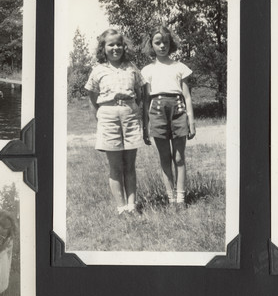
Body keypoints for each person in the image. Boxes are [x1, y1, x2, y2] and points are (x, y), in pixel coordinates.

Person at [84, 29, 146, 215]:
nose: (116, 48)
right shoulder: (98, 70)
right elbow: (92, 96)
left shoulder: (132, 67)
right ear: (103, 48)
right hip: (108, 116)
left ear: (124, 46)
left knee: (130, 164)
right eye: (111, 44)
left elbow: (140, 93)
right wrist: (100, 115)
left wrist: (133, 110)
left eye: (119, 44)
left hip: (129, 114)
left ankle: (132, 206)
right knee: (115, 166)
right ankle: (121, 208)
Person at [141, 26, 196, 206]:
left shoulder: (180, 67)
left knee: (179, 157)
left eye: (165, 42)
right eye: (158, 42)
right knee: (165, 157)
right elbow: (146, 100)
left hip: (178, 109)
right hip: (157, 111)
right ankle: (170, 197)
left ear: (171, 44)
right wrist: (145, 126)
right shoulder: (147, 70)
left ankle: (181, 197)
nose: (162, 46)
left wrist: (191, 121)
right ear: (152, 45)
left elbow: (187, 96)